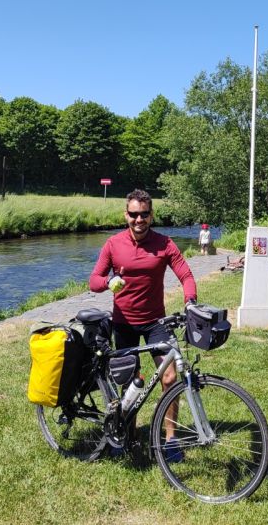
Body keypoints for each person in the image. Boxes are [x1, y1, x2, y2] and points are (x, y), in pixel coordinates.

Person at [89, 189, 197, 462]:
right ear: (126, 215)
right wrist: (108, 283)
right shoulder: (113, 244)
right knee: (131, 384)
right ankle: (129, 435)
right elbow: (94, 280)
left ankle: (171, 439)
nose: (139, 219)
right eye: (134, 214)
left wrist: (190, 300)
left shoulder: (164, 243)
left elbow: (185, 274)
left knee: (170, 378)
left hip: (155, 322)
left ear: (151, 215)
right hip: (123, 323)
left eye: (144, 214)